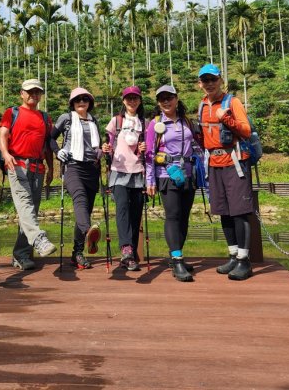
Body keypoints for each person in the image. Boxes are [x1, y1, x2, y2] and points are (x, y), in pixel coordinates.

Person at [197, 64, 253, 281]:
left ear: (220, 80)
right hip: (213, 163)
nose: (209, 84)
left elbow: (246, 131)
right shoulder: (202, 105)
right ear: (199, 84)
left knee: (240, 211)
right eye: (205, 80)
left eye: (213, 79)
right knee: (224, 211)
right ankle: (233, 255)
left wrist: (225, 118)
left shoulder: (233, 102)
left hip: (235, 161)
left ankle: (244, 260)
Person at [0, 79, 56, 271]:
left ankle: (21, 255)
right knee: (26, 205)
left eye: (37, 92)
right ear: (21, 93)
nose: (34, 95)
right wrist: (6, 154)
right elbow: (3, 135)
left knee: (29, 212)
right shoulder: (12, 112)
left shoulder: (45, 117)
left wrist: (51, 168)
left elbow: (47, 145)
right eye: (30, 92)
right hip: (17, 165)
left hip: (38, 169)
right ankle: (39, 240)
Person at [145, 85, 197, 282]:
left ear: (177, 99)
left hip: (188, 173)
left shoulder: (186, 122)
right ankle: (176, 260)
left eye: (170, 98)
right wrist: (150, 181)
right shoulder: (155, 124)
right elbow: (149, 154)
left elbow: (196, 146)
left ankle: (177, 255)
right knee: (173, 215)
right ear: (158, 102)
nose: (166, 102)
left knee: (184, 216)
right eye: (162, 99)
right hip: (167, 174)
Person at [50, 87, 102, 270]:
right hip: (72, 166)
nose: (82, 102)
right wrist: (58, 151)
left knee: (85, 210)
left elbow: (98, 144)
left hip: (92, 168)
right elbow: (50, 138)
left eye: (85, 99)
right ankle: (89, 231)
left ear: (90, 103)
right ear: (72, 103)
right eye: (78, 99)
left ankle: (77, 253)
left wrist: (102, 151)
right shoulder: (66, 118)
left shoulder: (94, 120)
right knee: (79, 198)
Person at [102, 86, 146, 271]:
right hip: (118, 172)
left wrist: (146, 149)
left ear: (140, 100)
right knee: (122, 209)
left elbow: (151, 148)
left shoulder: (146, 122)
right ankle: (126, 249)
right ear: (123, 101)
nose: (132, 101)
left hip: (138, 172)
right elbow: (106, 144)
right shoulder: (116, 121)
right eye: (129, 98)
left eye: (135, 98)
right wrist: (105, 149)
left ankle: (130, 255)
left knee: (136, 214)